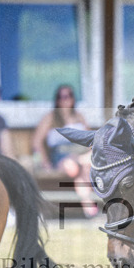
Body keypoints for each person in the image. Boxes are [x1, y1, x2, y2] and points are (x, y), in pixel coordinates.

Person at [31, 85, 98, 217]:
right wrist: (44, 162)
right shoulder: (50, 118)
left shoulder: (79, 117)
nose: (65, 100)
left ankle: (89, 206)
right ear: (57, 100)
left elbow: (91, 140)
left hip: (80, 154)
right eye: (61, 97)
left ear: (73, 99)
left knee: (84, 166)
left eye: (68, 96)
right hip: (61, 156)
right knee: (77, 167)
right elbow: (36, 142)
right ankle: (90, 206)